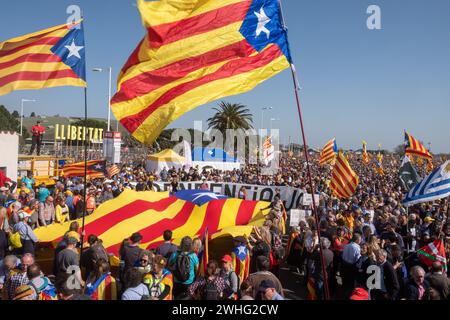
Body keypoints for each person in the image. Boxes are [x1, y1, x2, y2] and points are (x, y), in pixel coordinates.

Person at [341, 233, 362, 298]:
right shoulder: (357, 248)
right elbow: (358, 259)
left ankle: (344, 295)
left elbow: (343, 256)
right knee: (351, 284)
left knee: (345, 283)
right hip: (352, 267)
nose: (360, 241)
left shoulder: (346, 245)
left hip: (344, 266)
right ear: (357, 240)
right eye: (360, 239)